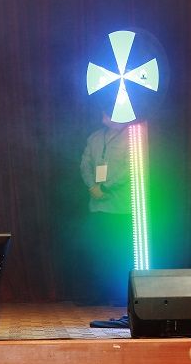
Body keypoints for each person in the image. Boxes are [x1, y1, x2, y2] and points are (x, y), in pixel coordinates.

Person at [79, 111, 132, 307]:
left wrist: (105, 186)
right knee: (98, 252)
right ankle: (98, 294)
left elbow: (129, 168)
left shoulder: (132, 136)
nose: (104, 116)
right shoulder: (94, 137)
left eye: (108, 112)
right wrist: (92, 186)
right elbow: (84, 164)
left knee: (121, 252)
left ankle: (123, 296)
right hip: (98, 205)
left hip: (122, 206)